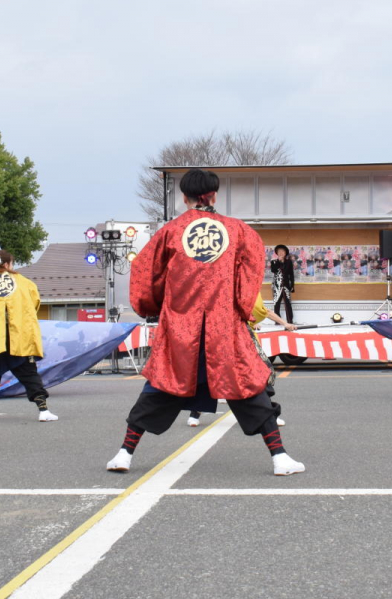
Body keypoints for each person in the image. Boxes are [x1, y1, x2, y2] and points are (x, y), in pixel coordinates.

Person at [107, 168, 304, 476]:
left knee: (159, 387)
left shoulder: (170, 232)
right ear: (214, 195)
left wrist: (157, 307)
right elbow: (249, 276)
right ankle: (279, 457)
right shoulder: (238, 231)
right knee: (247, 387)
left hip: (180, 328)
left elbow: (146, 276)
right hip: (223, 328)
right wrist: (242, 309)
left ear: (184, 198)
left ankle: (124, 454)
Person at [0, 250, 58, 423]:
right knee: (29, 375)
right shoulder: (23, 283)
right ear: (6, 264)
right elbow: (34, 303)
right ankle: (43, 410)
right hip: (18, 336)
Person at [188, 293, 294, 427]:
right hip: (239, 340)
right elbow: (260, 310)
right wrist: (282, 323)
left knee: (215, 375)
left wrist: (253, 320)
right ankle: (269, 416)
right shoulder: (245, 283)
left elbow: (257, 311)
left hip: (223, 337)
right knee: (258, 376)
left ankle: (194, 414)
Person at [270, 244, 295, 323]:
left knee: (288, 303)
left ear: (285, 253)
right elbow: (273, 270)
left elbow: (291, 274)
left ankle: (290, 321)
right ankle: (278, 321)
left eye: (282, 251)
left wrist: (292, 285)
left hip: (286, 285)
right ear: (277, 253)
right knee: (276, 304)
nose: (281, 253)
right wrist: (278, 261)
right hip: (277, 286)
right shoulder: (273, 261)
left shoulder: (289, 262)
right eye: (279, 251)